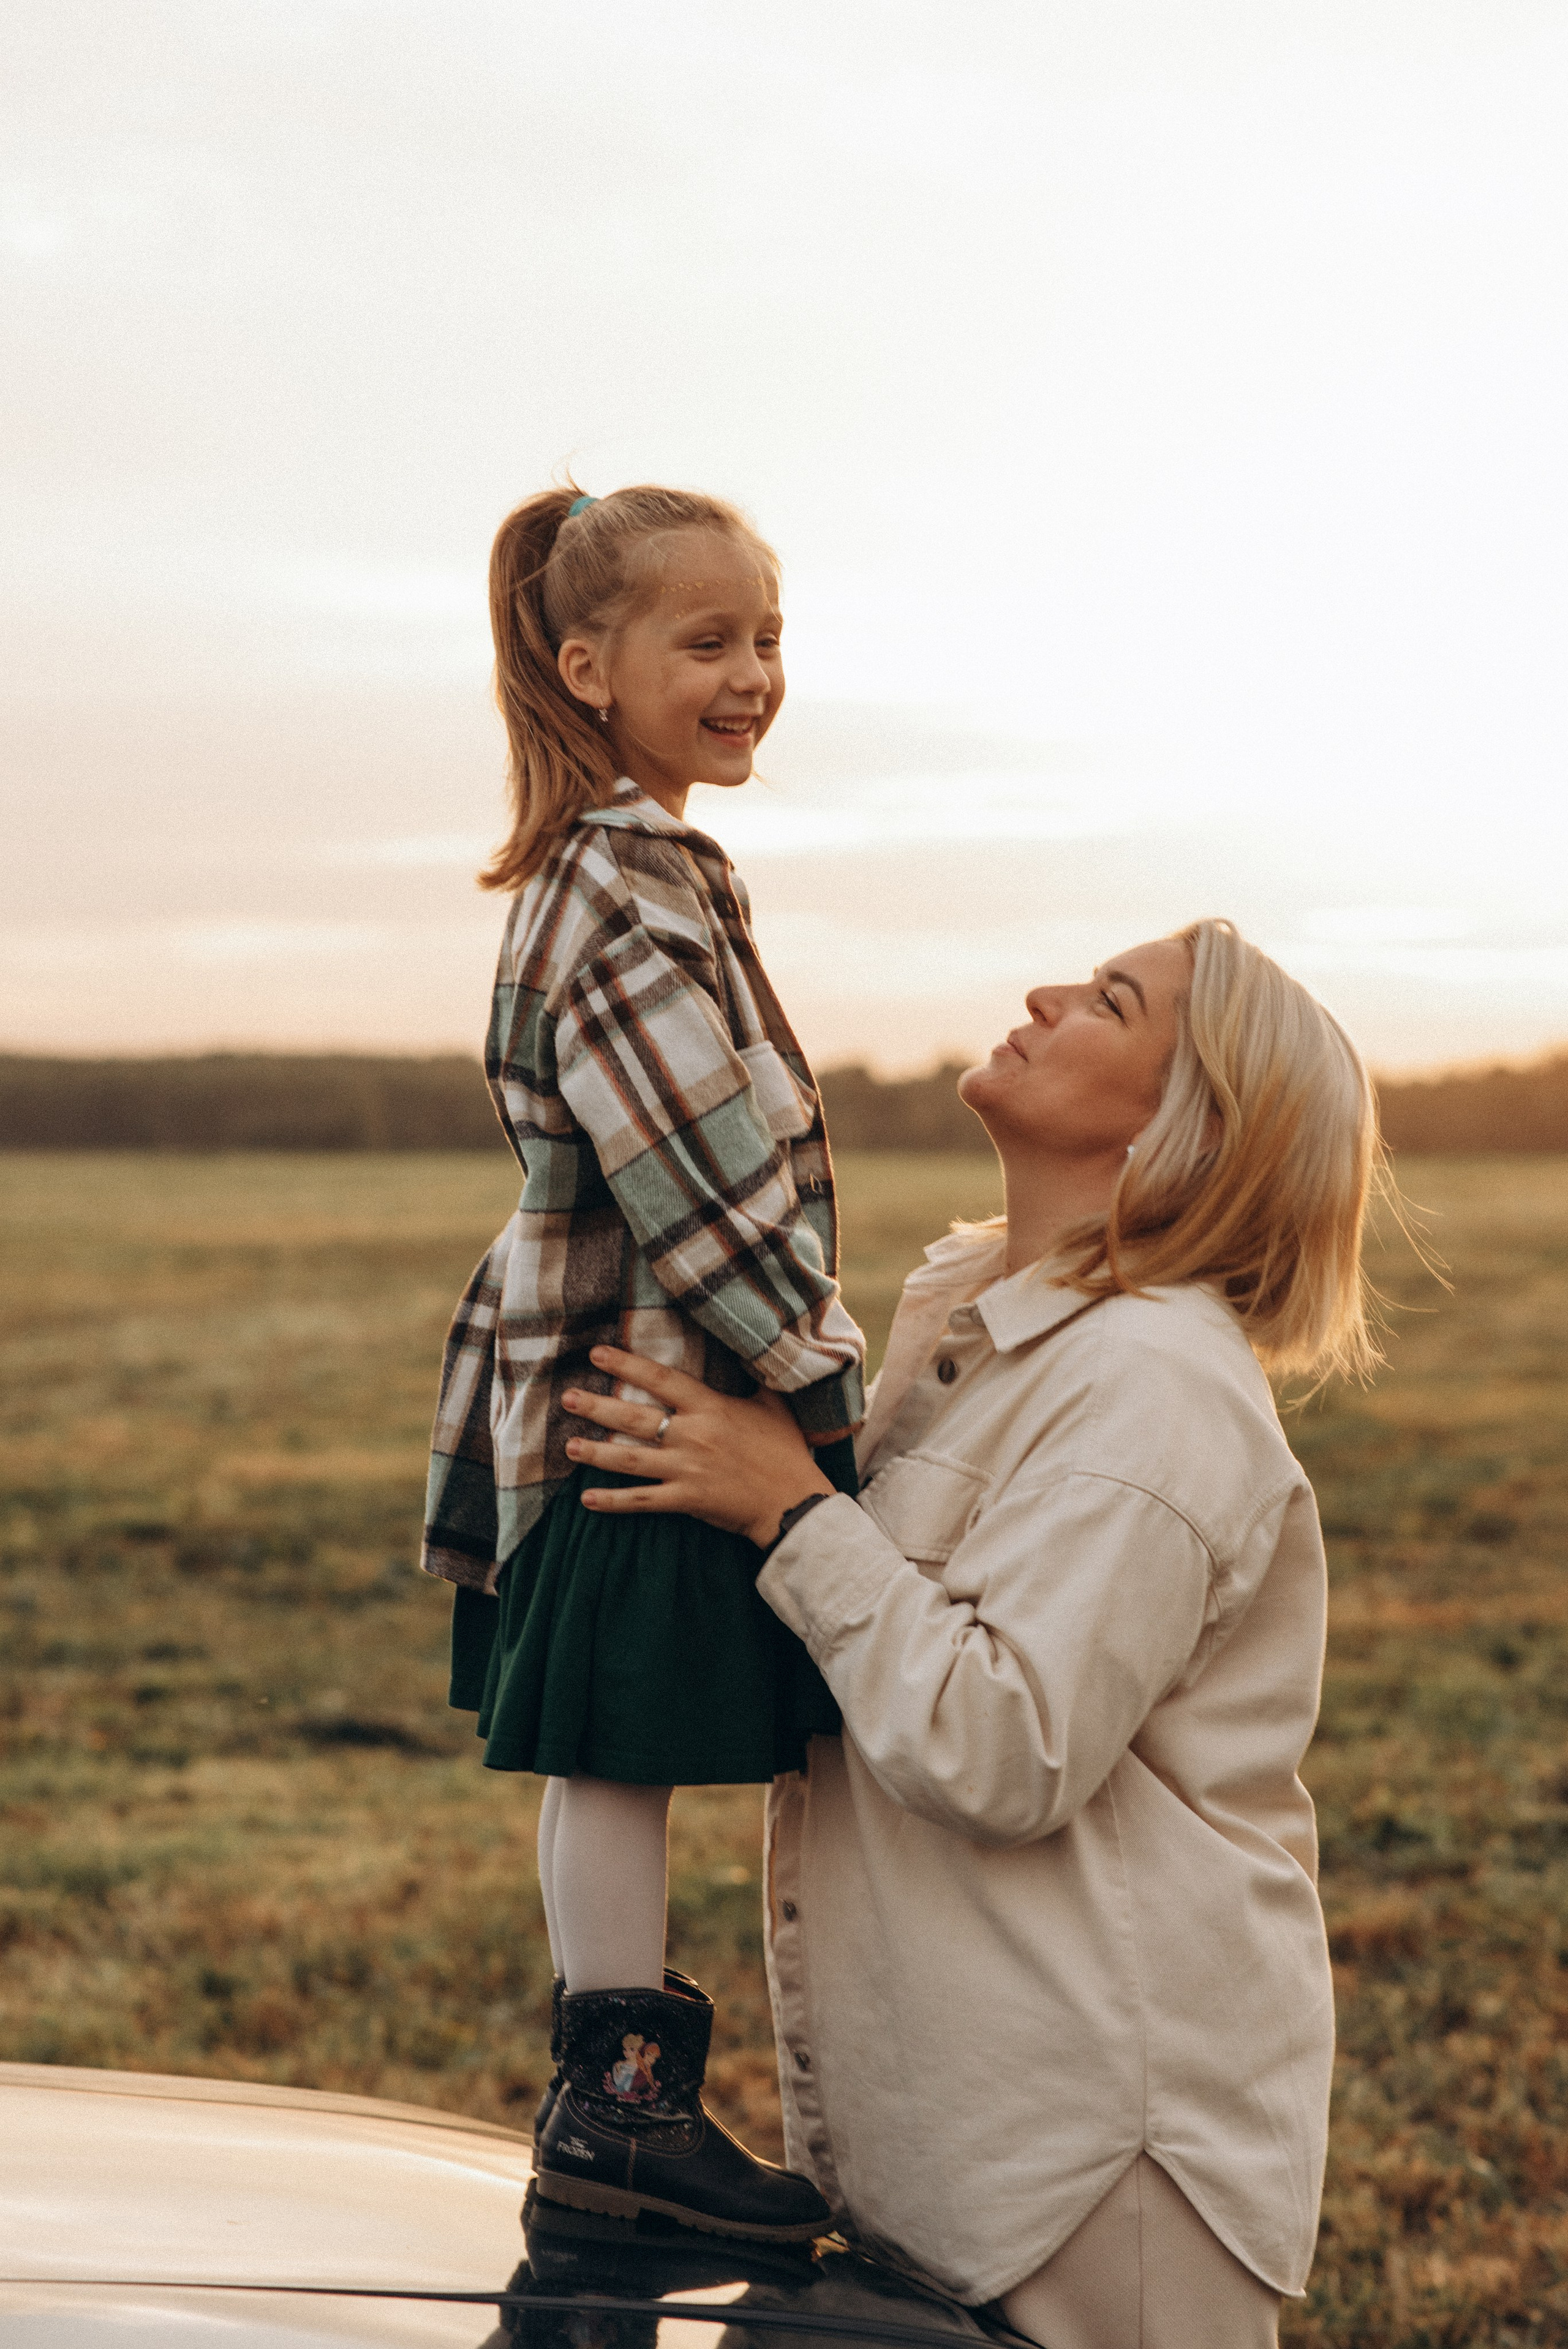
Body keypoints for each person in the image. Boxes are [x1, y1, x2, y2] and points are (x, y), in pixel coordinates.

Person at [558, 918, 1381, 2347]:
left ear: (1180, 1131)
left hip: (1097, 2168)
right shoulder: (982, 1332)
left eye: (1108, 1002)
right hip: (953, 2131)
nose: (1043, 994)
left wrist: (788, 1511)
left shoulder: (1152, 1387)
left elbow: (1000, 1748)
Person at [421, 483, 865, 2241]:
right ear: (585, 663)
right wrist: (829, 1397)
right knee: (612, 1753)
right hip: (658, 1395)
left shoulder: (641, 870)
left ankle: (625, 2108)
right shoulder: (627, 898)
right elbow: (708, 1196)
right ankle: (619, 2114)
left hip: (634, 1386)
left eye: (767, 639)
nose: (752, 673)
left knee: (609, 1758)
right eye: (710, 641)